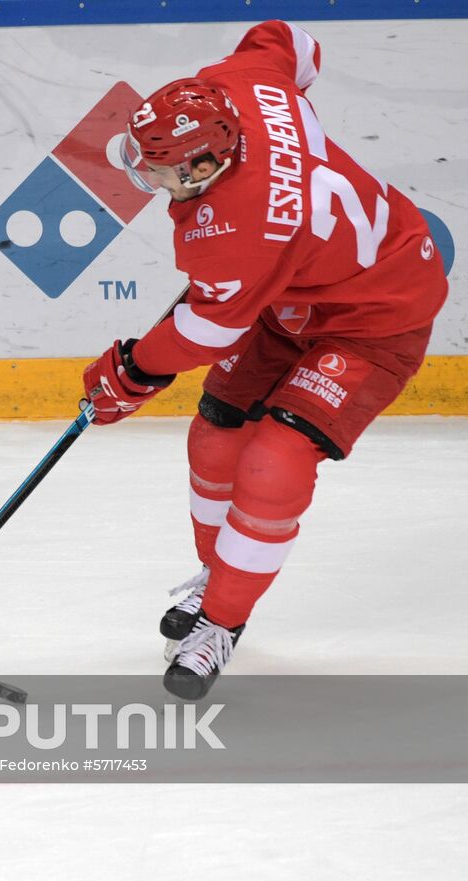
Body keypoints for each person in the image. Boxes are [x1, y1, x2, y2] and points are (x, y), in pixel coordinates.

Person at [87, 20, 448, 699]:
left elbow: (206, 332)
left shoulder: (234, 228)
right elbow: (287, 39)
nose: (146, 176)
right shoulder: (238, 84)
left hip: (376, 314)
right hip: (294, 294)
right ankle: (218, 575)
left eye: (158, 169)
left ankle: (222, 620)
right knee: (215, 435)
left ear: (201, 167)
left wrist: (130, 371)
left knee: (274, 459)